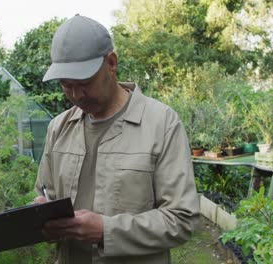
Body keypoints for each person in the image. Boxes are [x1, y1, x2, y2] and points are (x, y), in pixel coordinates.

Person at [33, 14, 199, 264]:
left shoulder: (161, 123)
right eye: (66, 85)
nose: (77, 95)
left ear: (111, 62)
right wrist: (41, 214)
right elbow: (45, 196)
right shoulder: (59, 128)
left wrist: (106, 230)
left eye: (85, 82)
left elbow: (182, 218)